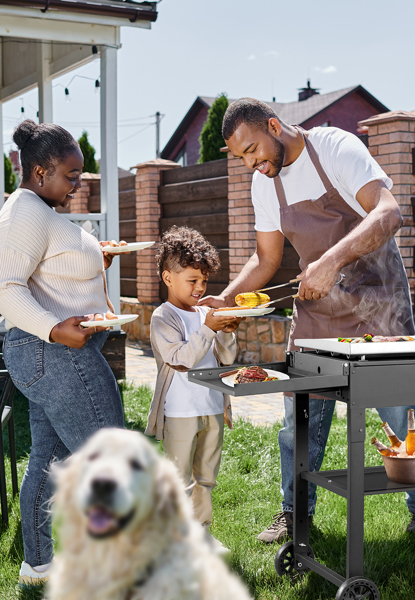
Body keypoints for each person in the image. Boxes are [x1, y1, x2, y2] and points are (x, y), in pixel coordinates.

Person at [199, 98, 415, 543]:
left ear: (274, 125)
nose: (251, 163)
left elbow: (389, 213)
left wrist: (330, 261)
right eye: (241, 157)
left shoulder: (334, 147)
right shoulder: (264, 184)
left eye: (253, 149)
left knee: (404, 409)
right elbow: (266, 257)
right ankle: (295, 513)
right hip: (318, 312)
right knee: (300, 419)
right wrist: (228, 299)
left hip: (378, 304)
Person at [0, 120, 125, 588]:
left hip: (45, 353)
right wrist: (54, 330)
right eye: (71, 176)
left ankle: (38, 565)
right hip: (50, 352)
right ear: (38, 171)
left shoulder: (38, 208)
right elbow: (5, 288)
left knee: (49, 459)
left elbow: (52, 270)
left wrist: (97, 258)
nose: (78, 185)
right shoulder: (27, 212)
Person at [145, 226, 242, 552]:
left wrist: (226, 330)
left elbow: (227, 357)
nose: (200, 288)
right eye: (192, 280)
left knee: (206, 477)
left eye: (204, 280)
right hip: (180, 412)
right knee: (179, 478)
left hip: (213, 407)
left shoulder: (205, 313)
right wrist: (209, 328)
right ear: (168, 278)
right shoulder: (163, 316)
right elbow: (181, 359)